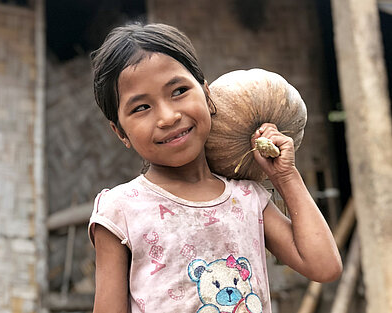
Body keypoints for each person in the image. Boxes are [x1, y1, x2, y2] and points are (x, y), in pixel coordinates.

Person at [88, 22, 342, 313]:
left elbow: (324, 266)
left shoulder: (247, 199)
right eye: (141, 108)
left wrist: (285, 176)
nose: (168, 117)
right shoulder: (120, 210)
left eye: (179, 90)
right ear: (120, 132)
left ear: (207, 95)